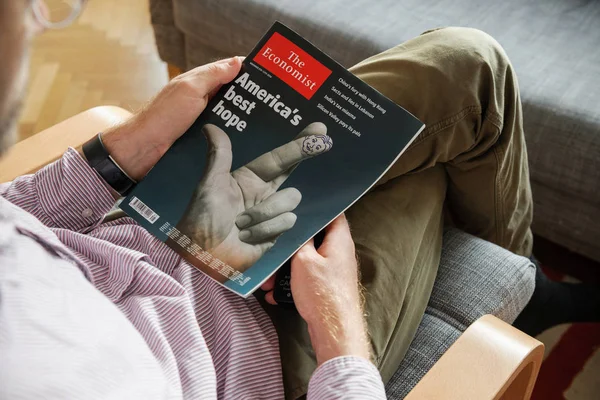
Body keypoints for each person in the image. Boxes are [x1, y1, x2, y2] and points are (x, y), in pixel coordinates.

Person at [1, 1, 598, 400]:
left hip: (164, 222)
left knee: (462, 65)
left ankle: (526, 293)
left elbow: (14, 214)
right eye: (28, 13)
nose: (34, 21)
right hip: (268, 353)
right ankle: (523, 302)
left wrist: (125, 148)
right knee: (446, 130)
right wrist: (336, 322)